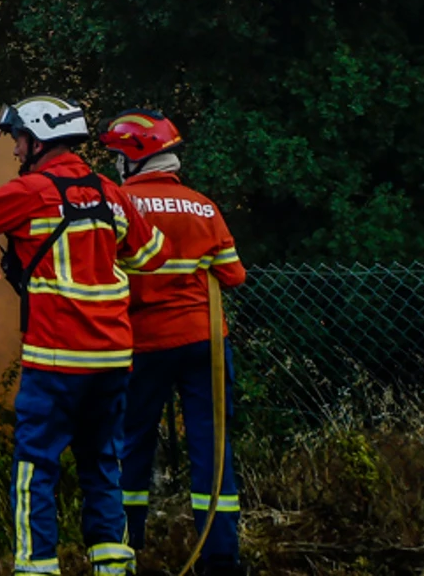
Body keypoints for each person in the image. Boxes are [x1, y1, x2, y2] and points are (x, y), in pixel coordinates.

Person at [0, 96, 169, 576]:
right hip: (111, 360)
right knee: (104, 465)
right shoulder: (111, 193)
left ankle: (38, 568)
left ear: (39, 140)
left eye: (20, 141)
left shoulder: (31, 192)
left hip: (56, 360)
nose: (17, 151)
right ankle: (112, 567)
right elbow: (152, 256)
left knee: (35, 467)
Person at [99, 109, 247, 576]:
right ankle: (220, 556)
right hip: (206, 343)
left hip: (142, 345)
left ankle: (125, 547)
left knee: (129, 444)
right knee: (211, 446)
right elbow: (233, 275)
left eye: (118, 156)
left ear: (132, 159)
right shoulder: (205, 206)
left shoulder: (118, 204)